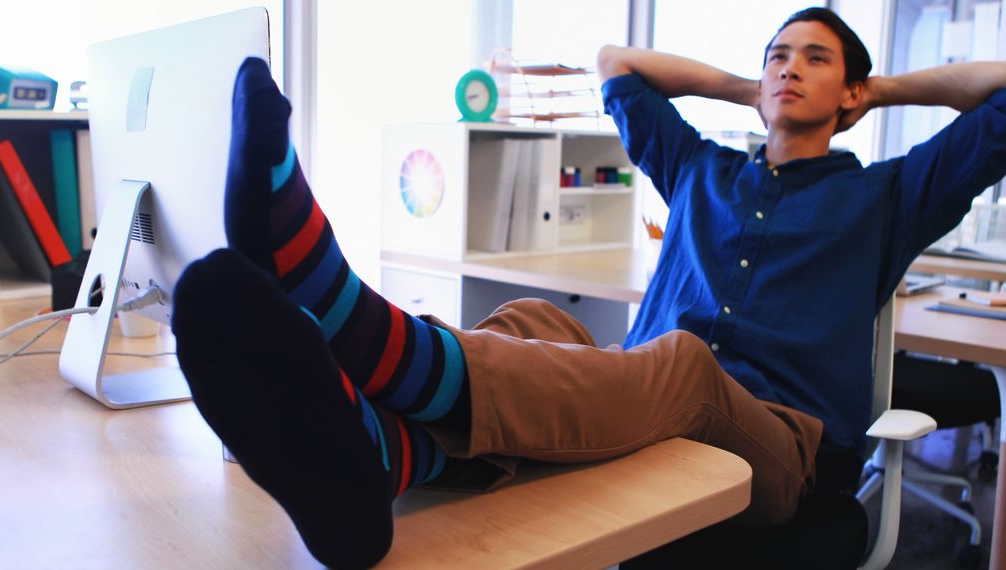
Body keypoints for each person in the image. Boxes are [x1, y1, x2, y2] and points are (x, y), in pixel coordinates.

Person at [169, 7, 1006, 569]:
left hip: (781, 445)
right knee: (541, 319)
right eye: (775, 57)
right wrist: (745, 88)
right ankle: (380, 455)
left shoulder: (888, 195)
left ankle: (347, 325)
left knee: (678, 360)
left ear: (852, 92)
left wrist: (881, 92)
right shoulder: (702, 171)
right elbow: (619, 68)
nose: (787, 70)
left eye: (814, 61)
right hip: (646, 401)